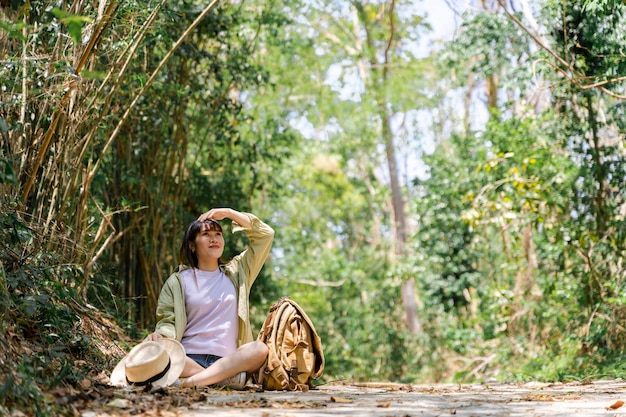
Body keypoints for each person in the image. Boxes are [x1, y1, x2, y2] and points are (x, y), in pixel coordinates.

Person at [143, 208, 274, 388]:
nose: (214, 239)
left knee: (259, 349)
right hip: (187, 360)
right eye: (206, 234)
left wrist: (228, 213)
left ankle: (187, 384)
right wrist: (161, 335)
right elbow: (168, 320)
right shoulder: (178, 281)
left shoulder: (237, 272)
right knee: (158, 348)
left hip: (229, 361)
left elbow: (266, 235)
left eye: (218, 234)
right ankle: (218, 379)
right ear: (192, 245)